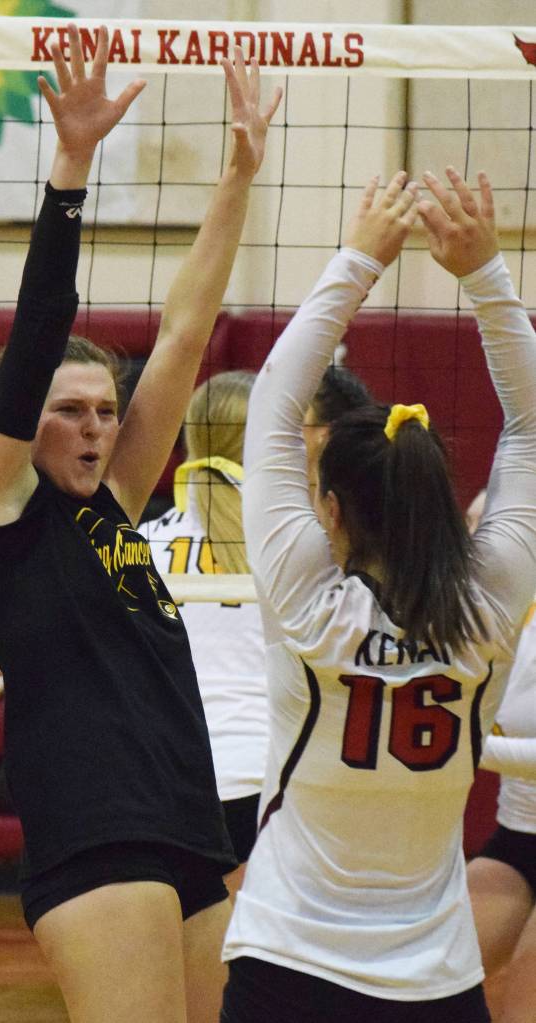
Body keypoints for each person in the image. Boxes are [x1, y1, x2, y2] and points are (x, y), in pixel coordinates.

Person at [0, 26, 280, 1023]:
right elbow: (39, 325)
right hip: (96, 834)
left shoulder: (117, 511)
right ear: (16, 419)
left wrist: (240, 173)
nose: (97, 426)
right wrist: (73, 166)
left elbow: (184, 331)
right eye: (69, 410)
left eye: (105, 410)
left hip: (189, 827)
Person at [221, 166, 536, 1023]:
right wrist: (486, 274)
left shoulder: (309, 608)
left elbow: (271, 408)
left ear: (330, 509)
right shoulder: (491, 608)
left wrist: (358, 257)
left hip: (286, 961)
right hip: (432, 977)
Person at [139, 371, 267, 893]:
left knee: (187, 962)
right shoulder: (300, 539)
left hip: (174, 781)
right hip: (272, 779)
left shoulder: (140, 541)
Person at [463, 489, 536, 1023]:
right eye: (468, 525)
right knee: (430, 971)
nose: (473, 542)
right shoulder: (472, 623)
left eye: (485, 528)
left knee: (521, 1007)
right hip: (518, 836)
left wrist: (462, 744)